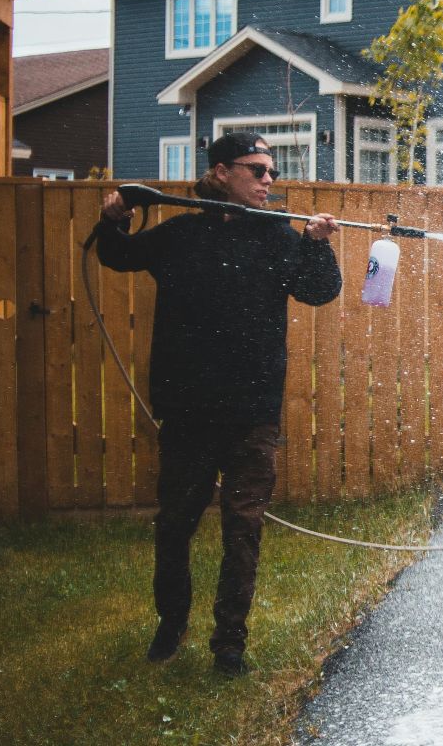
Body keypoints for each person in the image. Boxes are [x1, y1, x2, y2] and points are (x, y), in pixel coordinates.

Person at [95, 131, 343, 676]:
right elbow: (116, 255)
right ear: (221, 173)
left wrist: (319, 244)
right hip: (187, 410)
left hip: (253, 411)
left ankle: (230, 641)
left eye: (272, 172)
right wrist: (114, 217)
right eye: (256, 170)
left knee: (244, 527)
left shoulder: (278, 237)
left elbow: (320, 291)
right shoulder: (180, 233)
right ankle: (171, 622)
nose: (268, 179)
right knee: (175, 523)